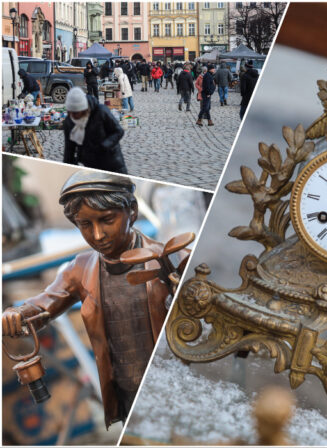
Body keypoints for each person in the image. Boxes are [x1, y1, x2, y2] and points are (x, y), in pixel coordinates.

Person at [1, 171, 188, 429]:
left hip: (175, 388)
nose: (98, 235)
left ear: (132, 211)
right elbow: (45, 304)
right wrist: (18, 314)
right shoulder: (80, 269)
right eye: (85, 225)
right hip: (126, 395)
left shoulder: (173, 258)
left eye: (107, 220)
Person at [62, 87, 127, 174]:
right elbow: (69, 149)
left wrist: (104, 145)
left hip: (111, 162)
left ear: (83, 109)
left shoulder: (101, 112)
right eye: (71, 112)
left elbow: (118, 131)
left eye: (76, 112)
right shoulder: (69, 122)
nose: (73, 116)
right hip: (90, 165)